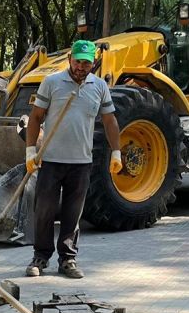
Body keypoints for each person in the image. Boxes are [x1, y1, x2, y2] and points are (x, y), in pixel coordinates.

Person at [24, 40, 122, 279]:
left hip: (81, 162)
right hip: (50, 159)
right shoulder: (52, 83)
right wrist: (30, 151)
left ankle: (67, 260)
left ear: (93, 63)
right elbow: (36, 117)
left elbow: (110, 121)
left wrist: (117, 152)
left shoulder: (99, 86)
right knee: (44, 210)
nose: (81, 67)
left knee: (72, 212)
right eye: (77, 61)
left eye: (86, 63)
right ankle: (40, 257)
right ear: (70, 59)